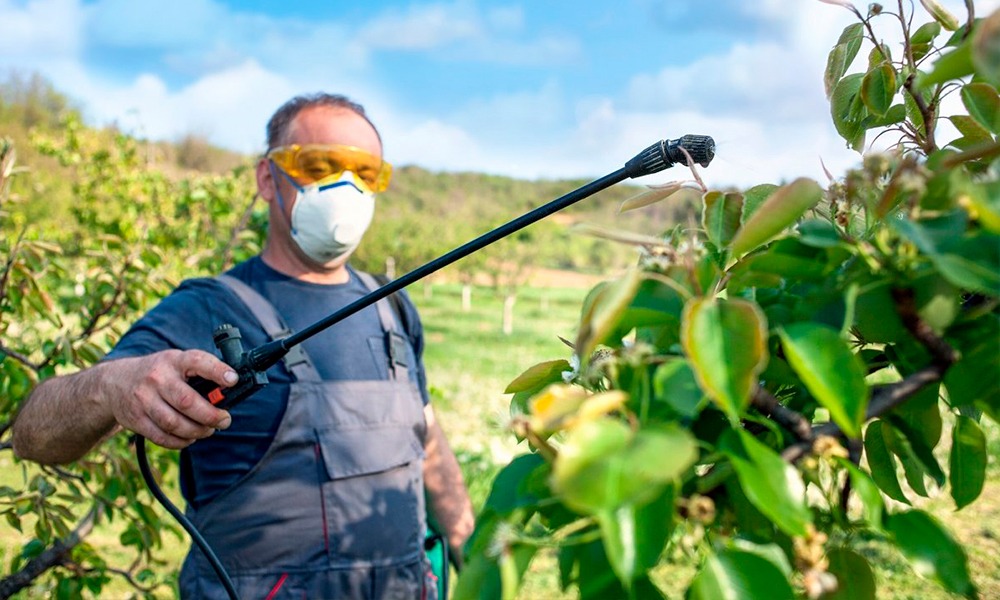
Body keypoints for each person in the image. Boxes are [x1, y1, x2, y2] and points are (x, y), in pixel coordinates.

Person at [12, 93, 475, 599]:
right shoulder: (209, 307)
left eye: (365, 172)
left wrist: (469, 550)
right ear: (266, 178)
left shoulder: (391, 306)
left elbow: (425, 436)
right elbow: (33, 436)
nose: (347, 186)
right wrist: (109, 386)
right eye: (319, 165)